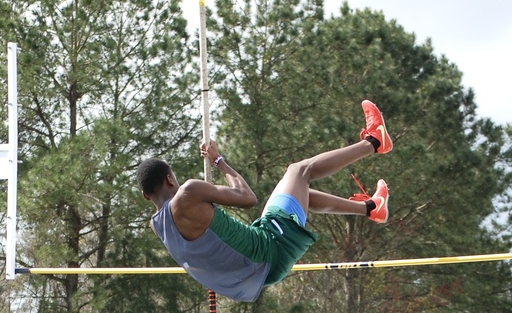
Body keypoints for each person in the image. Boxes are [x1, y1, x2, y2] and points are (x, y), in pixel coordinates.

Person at [136, 99, 392, 302]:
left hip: (258, 269)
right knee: (298, 171)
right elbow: (247, 198)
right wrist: (218, 161)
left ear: (146, 195)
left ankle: (371, 208)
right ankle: (374, 142)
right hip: (270, 247)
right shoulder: (187, 193)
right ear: (170, 180)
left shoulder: (157, 226)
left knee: (297, 195)